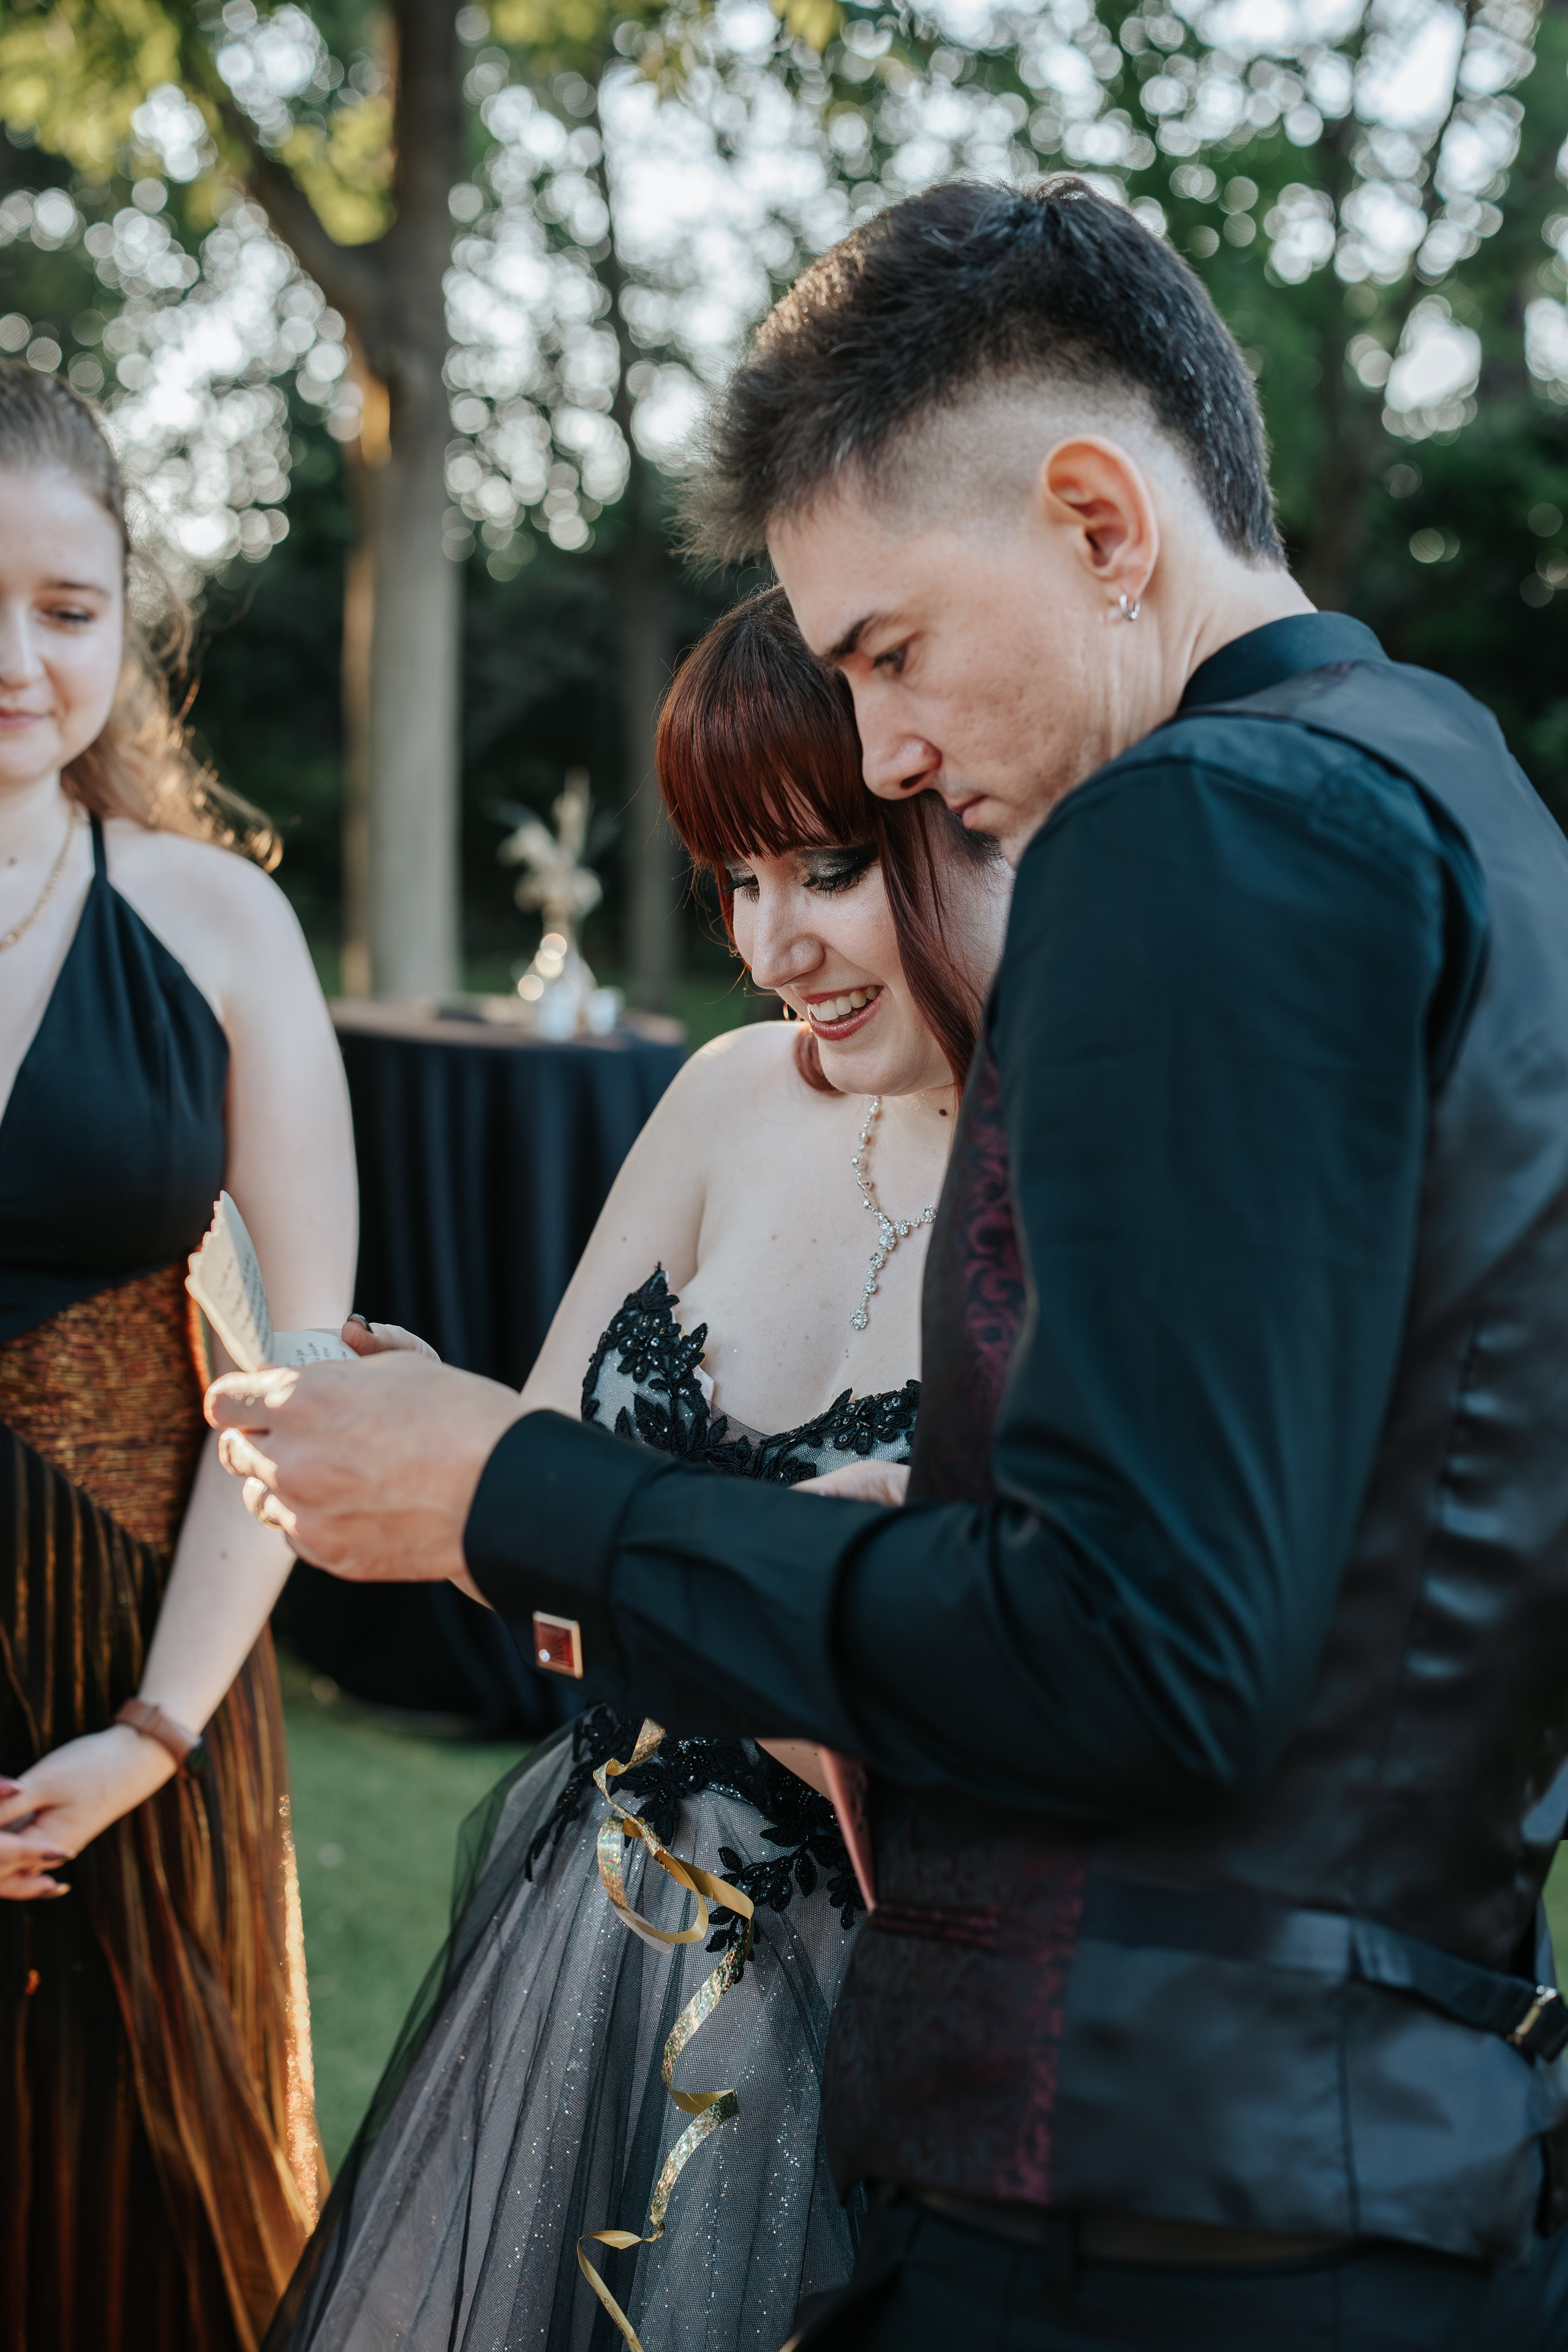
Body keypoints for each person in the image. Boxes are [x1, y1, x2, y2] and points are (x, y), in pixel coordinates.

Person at [210, 176, 1568, 2350]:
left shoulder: (1191, 828)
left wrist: (505, 1493)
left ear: (1103, 526)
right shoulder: (1471, 802)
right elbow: (1301, 1559)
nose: (891, 750)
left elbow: (1137, 1653)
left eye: (890, 653)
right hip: (1385, 2155)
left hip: (1141, 2200)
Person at [263, 585, 1011, 2351]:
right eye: (731, 882)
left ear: (961, 806)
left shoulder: (1081, 1167)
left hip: (885, 2017)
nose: (772, 948)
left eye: (824, 868)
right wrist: (428, 1429)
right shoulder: (719, 1096)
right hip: (595, 1944)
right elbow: (517, 1516)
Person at [0, 366, 357, 2349]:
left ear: (131, 623)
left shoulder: (220, 926)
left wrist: (147, 1738)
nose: (19, 659)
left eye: (67, 607)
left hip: (139, 1679)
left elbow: (303, 1366)